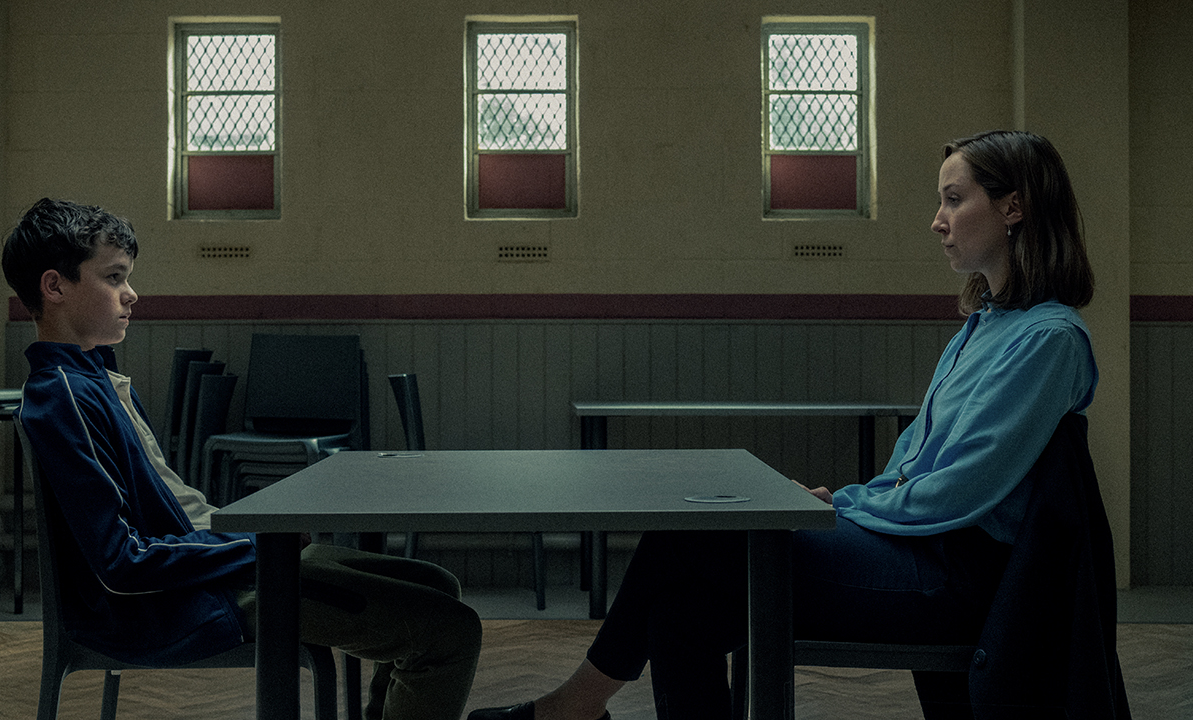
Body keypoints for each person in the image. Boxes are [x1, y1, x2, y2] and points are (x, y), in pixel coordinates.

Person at [468, 130, 1100, 720]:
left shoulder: (1050, 339)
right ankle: (575, 708)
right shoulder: (984, 326)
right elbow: (913, 457)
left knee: (688, 542)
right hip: (916, 550)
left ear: (1013, 208)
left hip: (950, 577)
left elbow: (964, 484)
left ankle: (572, 707)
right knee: (683, 598)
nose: (937, 220)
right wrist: (851, 500)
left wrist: (846, 509)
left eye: (954, 200)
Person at [4, 198, 481, 720]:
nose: (131, 293)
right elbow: (122, 563)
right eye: (114, 277)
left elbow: (172, 512)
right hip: (177, 604)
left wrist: (245, 542)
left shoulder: (94, 377)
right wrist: (256, 547)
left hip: (209, 568)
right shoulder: (62, 396)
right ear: (55, 287)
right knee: (450, 631)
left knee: (436, 586)